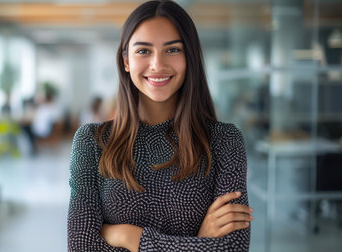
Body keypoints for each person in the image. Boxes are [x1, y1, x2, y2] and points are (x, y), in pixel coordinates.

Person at [67, 1, 253, 251]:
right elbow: (82, 246)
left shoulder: (224, 140)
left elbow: (232, 248)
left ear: (190, 57)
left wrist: (129, 237)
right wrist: (200, 242)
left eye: (173, 50)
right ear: (125, 60)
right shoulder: (92, 141)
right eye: (143, 51)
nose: (157, 64)